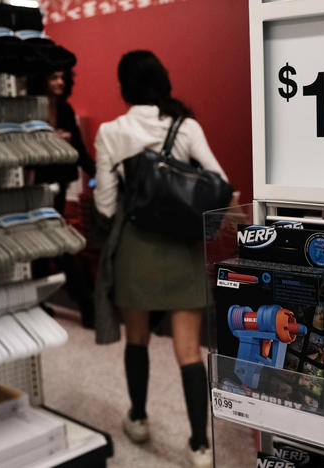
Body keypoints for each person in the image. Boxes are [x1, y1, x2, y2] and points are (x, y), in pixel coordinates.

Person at [93, 50, 227, 468]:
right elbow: (219, 183)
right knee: (189, 350)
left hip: (136, 250)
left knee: (137, 340)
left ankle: (138, 418)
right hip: (183, 250)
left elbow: (105, 204)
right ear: (164, 81)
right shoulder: (186, 126)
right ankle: (200, 445)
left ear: (123, 87)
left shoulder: (111, 131)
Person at [27, 68, 96, 328]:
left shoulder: (65, 109)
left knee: (50, 243)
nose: (59, 82)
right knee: (55, 244)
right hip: (35, 186)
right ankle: (85, 302)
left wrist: (98, 176)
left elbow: (78, 149)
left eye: (62, 78)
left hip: (61, 181)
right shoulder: (31, 110)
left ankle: (44, 302)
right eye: (53, 77)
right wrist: (48, 141)